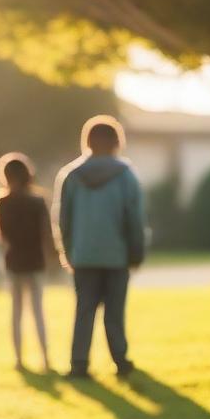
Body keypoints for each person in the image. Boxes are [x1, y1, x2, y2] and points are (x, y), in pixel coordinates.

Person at [54, 115, 145, 379]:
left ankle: (79, 364)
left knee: (84, 311)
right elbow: (135, 218)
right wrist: (136, 252)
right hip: (117, 256)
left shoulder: (70, 175)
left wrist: (68, 252)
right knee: (115, 313)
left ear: (87, 141)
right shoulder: (126, 175)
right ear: (117, 142)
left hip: (83, 256)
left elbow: (63, 220)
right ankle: (121, 362)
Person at [0, 153, 55, 372]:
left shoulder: (0, 202)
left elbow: (0, 235)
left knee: (16, 312)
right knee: (37, 310)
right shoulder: (38, 201)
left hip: (12, 260)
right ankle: (45, 358)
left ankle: (19, 359)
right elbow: (47, 233)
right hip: (35, 260)